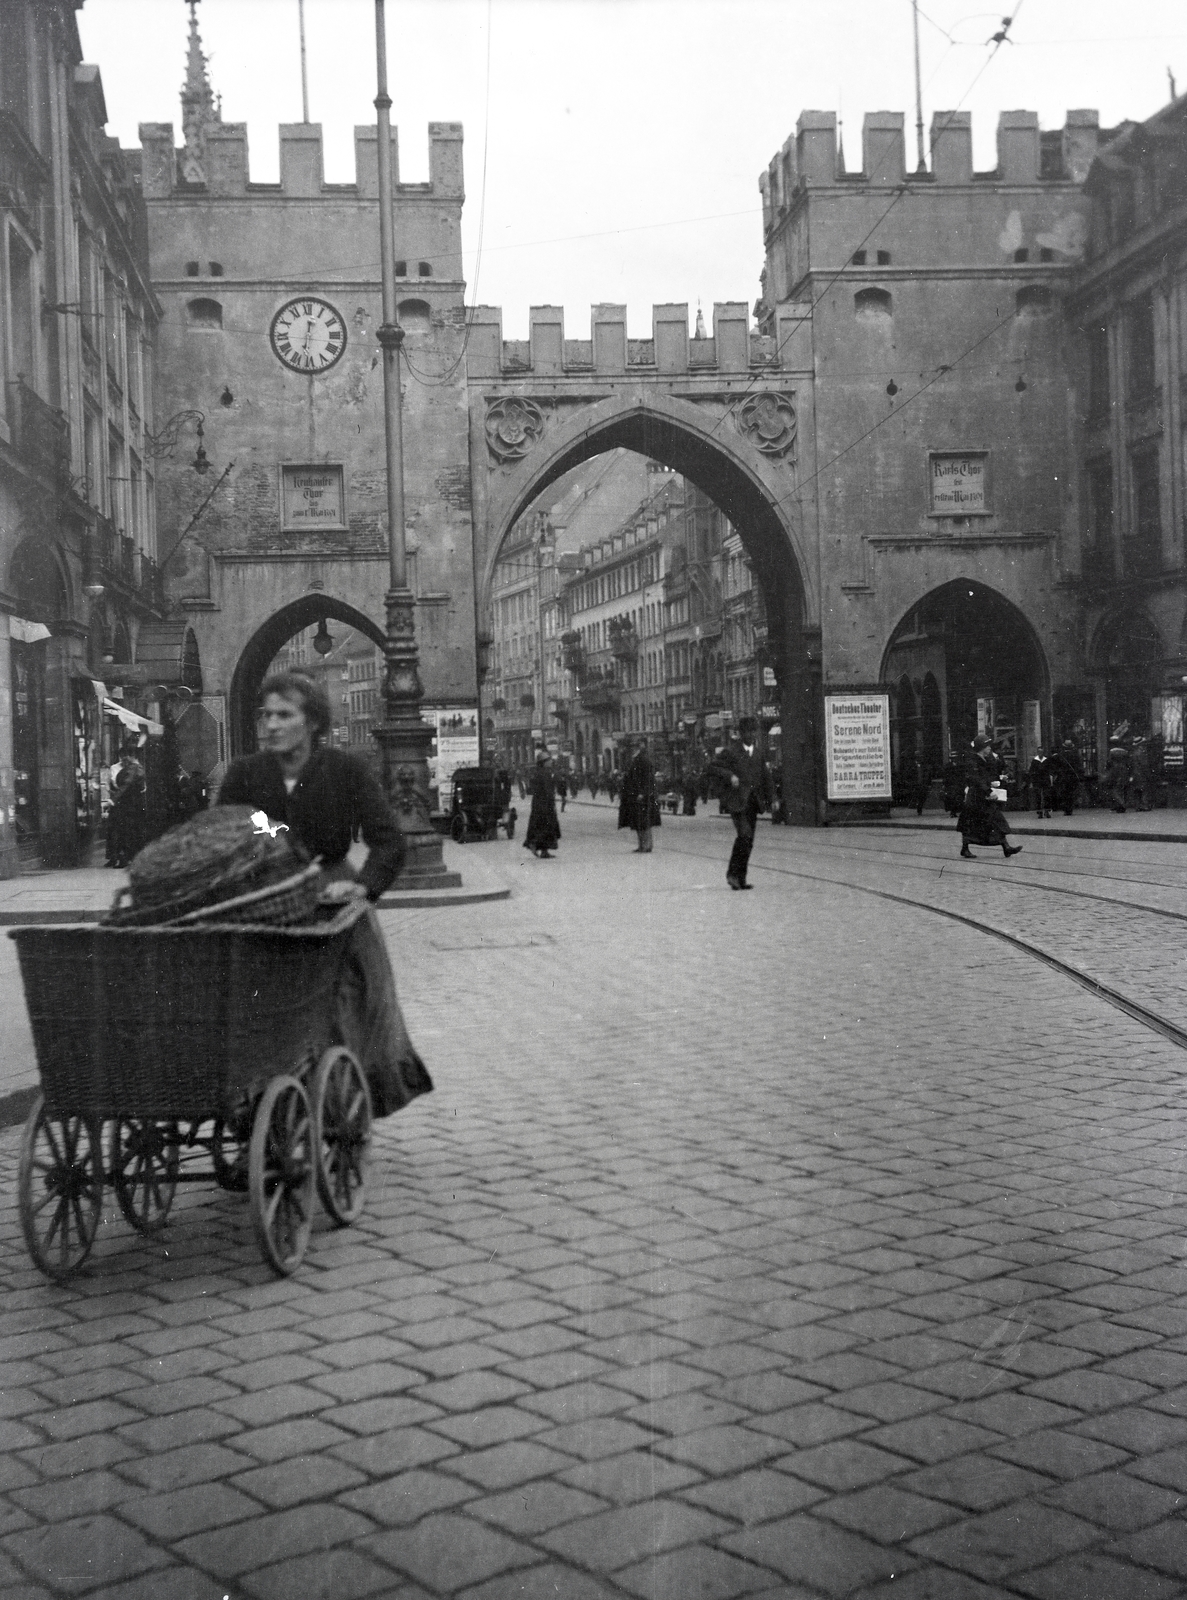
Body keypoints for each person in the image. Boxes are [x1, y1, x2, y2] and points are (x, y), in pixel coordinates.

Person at [218, 671, 431, 1118]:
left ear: (312, 722)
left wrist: (363, 885)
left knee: (343, 998)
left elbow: (388, 839)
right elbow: (222, 832)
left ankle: (339, 1102)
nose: (271, 725)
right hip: (262, 900)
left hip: (329, 901)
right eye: (266, 715)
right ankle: (260, 1102)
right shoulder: (245, 774)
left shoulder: (344, 771)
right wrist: (266, 838)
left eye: (284, 715)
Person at [707, 716, 774, 890]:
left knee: (749, 840)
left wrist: (773, 799)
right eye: (748, 732)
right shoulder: (731, 751)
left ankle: (741, 878)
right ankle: (732, 874)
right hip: (737, 801)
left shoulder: (758, 753)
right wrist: (730, 776)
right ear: (741, 733)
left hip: (753, 802)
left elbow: (766, 777)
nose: (751, 735)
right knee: (744, 835)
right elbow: (712, 767)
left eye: (754, 731)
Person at [957, 734, 1022, 860]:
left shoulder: (987, 759)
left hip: (985, 796)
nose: (989, 748)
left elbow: (990, 775)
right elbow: (976, 779)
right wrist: (988, 790)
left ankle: (1006, 847)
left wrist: (998, 779)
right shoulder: (972, 761)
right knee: (972, 823)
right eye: (987, 746)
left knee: (996, 820)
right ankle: (965, 848)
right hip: (976, 797)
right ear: (981, 747)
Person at [618, 738, 660, 853]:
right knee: (638, 822)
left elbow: (648, 779)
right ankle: (642, 845)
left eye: (634, 748)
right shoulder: (635, 760)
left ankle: (646, 845)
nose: (632, 750)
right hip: (635, 795)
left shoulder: (643, 760)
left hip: (642, 796)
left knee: (644, 822)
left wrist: (643, 793)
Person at [523, 750, 561, 858]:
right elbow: (547, 790)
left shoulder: (539, 772)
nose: (551, 762)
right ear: (544, 762)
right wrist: (550, 801)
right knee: (546, 826)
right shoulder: (544, 773)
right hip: (544, 803)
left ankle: (542, 849)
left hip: (539, 803)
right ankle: (536, 845)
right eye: (549, 760)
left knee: (540, 825)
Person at [1050, 739, 1081, 816]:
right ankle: (1070, 808)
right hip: (1073, 777)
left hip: (1063, 776)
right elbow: (1078, 767)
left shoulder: (1061, 755)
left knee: (1064, 792)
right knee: (1071, 793)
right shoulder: (1075, 755)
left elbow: (1057, 766)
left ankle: (1066, 808)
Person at [1028, 749, 1054, 819]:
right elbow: (1031, 771)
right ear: (1037, 752)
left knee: (1047, 795)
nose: (1040, 753)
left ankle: (1047, 811)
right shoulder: (1034, 761)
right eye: (1039, 752)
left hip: (1046, 780)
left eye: (1042, 752)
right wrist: (1032, 780)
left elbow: (1050, 770)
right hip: (1037, 780)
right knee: (1038, 796)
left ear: (1043, 753)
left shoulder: (1046, 760)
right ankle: (1039, 812)